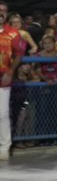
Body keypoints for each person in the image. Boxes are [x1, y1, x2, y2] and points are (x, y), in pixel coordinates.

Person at [1, 10, 27, 161]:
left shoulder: (13, 33)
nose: (0, 13)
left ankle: (4, 147)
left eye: (3, 11)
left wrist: (10, 71)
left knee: (3, 114)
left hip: (3, 77)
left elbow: (20, 53)